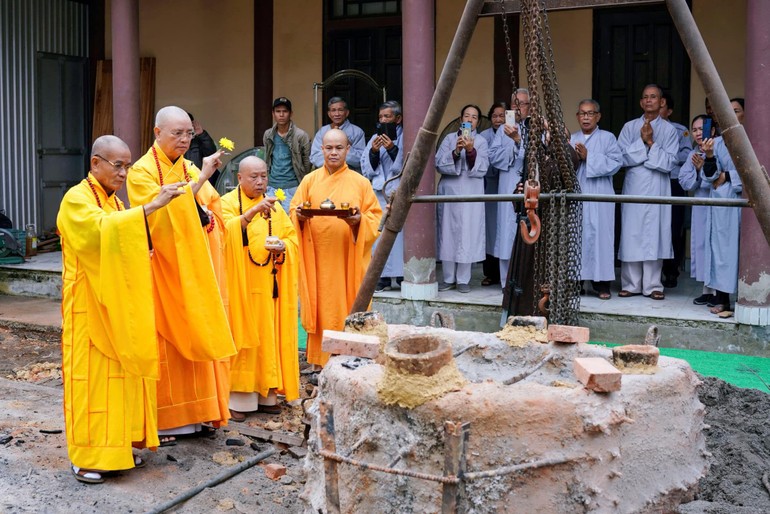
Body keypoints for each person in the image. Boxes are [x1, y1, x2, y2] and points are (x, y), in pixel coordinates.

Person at [58, 135, 187, 484]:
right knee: (94, 382)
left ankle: (118, 446)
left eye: (127, 165)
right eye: (118, 165)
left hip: (116, 304)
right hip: (90, 306)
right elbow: (97, 234)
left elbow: (121, 240)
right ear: (95, 162)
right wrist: (150, 207)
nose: (124, 172)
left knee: (123, 377)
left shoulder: (114, 203)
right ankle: (87, 456)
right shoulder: (77, 198)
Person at [127, 106, 237, 442]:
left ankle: (202, 412)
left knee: (199, 331)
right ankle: (166, 420)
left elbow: (213, 208)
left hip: (196, 270)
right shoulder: (142, 172)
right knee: (168, 342)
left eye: (189, 133)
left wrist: (206, 215)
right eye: (178, 133)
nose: (185, 140)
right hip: (163, 271)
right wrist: (202, 179)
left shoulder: (188, 166)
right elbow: (155, 217)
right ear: (157, 133)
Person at [290, 129, 382, 368]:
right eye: (328, 148)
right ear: (321, 149)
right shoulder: (309, 180)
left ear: (348, 150)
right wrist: (298, 216)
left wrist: (358, 222)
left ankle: (348, 362)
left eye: (338, 148)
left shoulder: (361, 183)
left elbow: (374, 218)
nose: (333, 153)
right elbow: (293, 211)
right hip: (317, 260)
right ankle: (320, 365)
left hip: (347, 261)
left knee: (348, 308)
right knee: (321, 309)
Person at [221, 156, 299, 419]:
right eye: (253, 177)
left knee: (269, 337)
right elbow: (223, 235)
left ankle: (267, 394)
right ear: (239, 178)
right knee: (244, 340)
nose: (259, 181)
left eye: (263, 176)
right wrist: (252, 212)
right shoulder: (228, 203)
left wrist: (283, 248)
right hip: (240, 285)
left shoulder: (276, 208)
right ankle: (239, 400)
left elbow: (291, 238)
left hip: (268, 285)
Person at [617, 84, 679, 300]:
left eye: (654, 97)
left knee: (655, 233)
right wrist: (641, 141)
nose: (649, 100)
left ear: (662, 102)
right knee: (632, 233)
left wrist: (651, 142)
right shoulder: (628, 127)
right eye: (645, 97)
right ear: (641, 102)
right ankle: (631, 284)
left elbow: (670, 163)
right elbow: (621, 158)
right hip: (634, 185)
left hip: (658, 186)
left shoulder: (670, 130)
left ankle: (653, 285)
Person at [570, 99, 623, 299]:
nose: (585, 117)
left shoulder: (608, 138)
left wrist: (589, 156)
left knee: (601, 238)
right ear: (577, 116)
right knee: (577, 237)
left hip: (600, 194)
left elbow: (617, 163)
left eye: (590, 113)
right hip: (577, 195)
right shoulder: (571, 138)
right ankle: (576, 283)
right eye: (582, 113)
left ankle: (602, 285)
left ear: (598, 116)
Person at [436, 104, 489, 293]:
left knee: (468, 232)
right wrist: (457, 152)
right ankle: (448, 278)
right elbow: (439, 163)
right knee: (448, 233)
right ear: (461, 119)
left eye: (474, 117)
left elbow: (483, 168)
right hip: (450, 190)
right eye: (466, 116)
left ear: (478, 122)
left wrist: (471, 151)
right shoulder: (450, 139)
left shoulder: (481, 141)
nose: (470, 119)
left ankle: (463, 279)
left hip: (471, 190)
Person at [361, 100, 405, 292]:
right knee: (379, 235)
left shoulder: (406, 136)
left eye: (387, 116)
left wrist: (392, 149)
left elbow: (407, 162)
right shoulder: (375, 138)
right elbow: (366, 167)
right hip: (380, 193)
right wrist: (374, 151)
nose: (383, 120)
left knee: (401, 235)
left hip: (399, 192)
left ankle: (403, 275)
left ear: (398, 118)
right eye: (380, 117)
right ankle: (383, 278)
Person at [489, 91, 530, 290]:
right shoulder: (501, 131)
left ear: (529, 106)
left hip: (530, 183)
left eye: (522, 104)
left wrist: (519, 141)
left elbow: (538, 154)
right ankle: (506, 282)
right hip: (507, 183)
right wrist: (514, 143)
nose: (518, 108)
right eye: (515, 104)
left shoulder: (535, 126)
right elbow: (494, 157)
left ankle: (526, 282)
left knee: (529, 230)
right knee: (507, 232)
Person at [701, 133, 742, 315]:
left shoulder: (752, 137)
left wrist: (728, 175)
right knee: (722, 248)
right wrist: (709, 156)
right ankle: (722, 299)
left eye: (736, 111)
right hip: (723, 201)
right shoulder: (715, 142)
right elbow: (710, 175)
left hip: (745, 195)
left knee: (744, 250)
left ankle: (745, 298)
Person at [679, 115, 717, 306]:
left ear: (712, 130)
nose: (698, 133)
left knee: (717, 245)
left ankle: (720, 291)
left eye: (701, 129)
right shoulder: (692, 154)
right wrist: (697, 171)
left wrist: (704, 168)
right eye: (694, 130)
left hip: (718, 204)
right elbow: (684, 181)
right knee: (702, 244)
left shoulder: (720, 149)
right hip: (701, 204)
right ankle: (707, 290)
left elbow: (719, 177)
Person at [660, 92, 694, 288]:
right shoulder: (642, 128)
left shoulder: (680, 130)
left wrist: (665, 156)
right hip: (652, 182)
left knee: (674, 227)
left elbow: (686, 155)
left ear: (669, 110)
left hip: (673, 182)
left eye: (662, 105)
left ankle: (671, 270)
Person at [263, 97, 312, 212]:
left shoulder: (301, 135)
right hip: (272, 186)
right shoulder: (268, 134)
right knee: (271, 221)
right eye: (278, 111)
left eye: (285, 111)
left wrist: (301, 183)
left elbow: (307, 163)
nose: (281, 115)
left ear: (291, 113)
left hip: (292, 187)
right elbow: (267, 158)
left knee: (291, 221)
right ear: (273, 113)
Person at [479, 101, 507, 287]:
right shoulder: (483, 136)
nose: (498, 119)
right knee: (489, 231)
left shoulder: (512, 132)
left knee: (505, 231)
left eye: (502, 116)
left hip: (507, 184)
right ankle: (490, 273)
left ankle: (507, 274)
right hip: (489, 186)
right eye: (495, 116)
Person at [310, 97, 366, 171]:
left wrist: (347, 145)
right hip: (326, 175)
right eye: (333, 110)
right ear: (329, 114)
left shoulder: (357, 132)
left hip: (349, 176)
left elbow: (361, 160)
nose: (337, 114)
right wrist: (334, 161)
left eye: (340, 110)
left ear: (347, 113)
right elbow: (314, 157)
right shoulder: (322, 132)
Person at [184, 112, 219, 185]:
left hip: (201, 182)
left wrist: (202, 134)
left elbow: (211, 153)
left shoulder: (199, 139)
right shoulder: (174, 141)